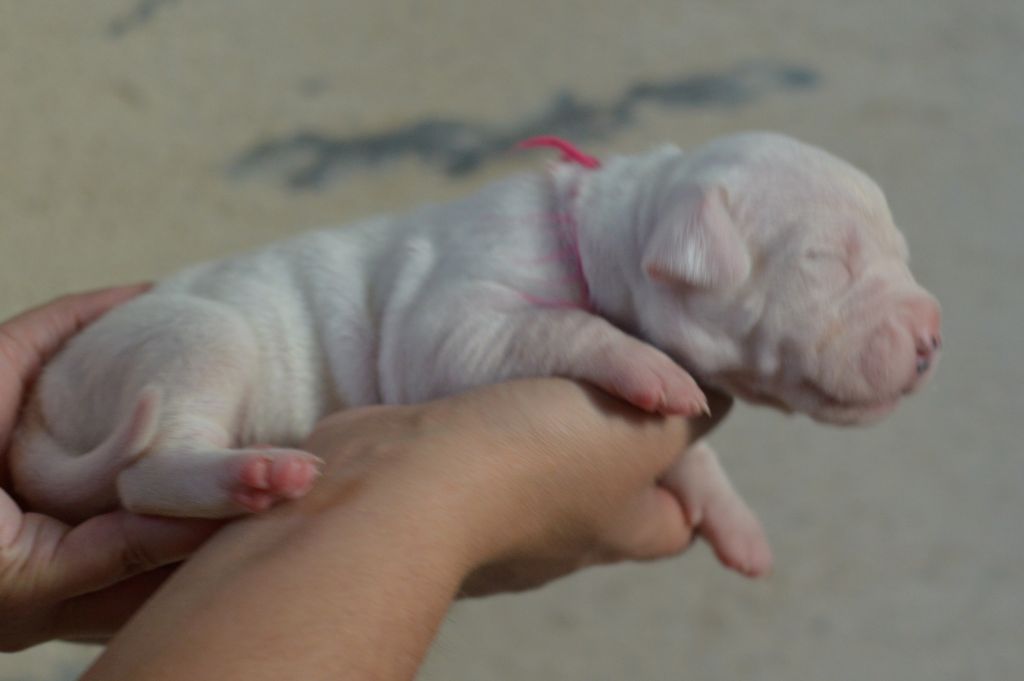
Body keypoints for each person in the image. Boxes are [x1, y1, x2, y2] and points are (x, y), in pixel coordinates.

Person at [0, 286, 730, 679]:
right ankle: (173, 460)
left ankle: (176, 460)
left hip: (123, 425)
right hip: (151, 400)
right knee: (204, 342)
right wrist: (460, 489)